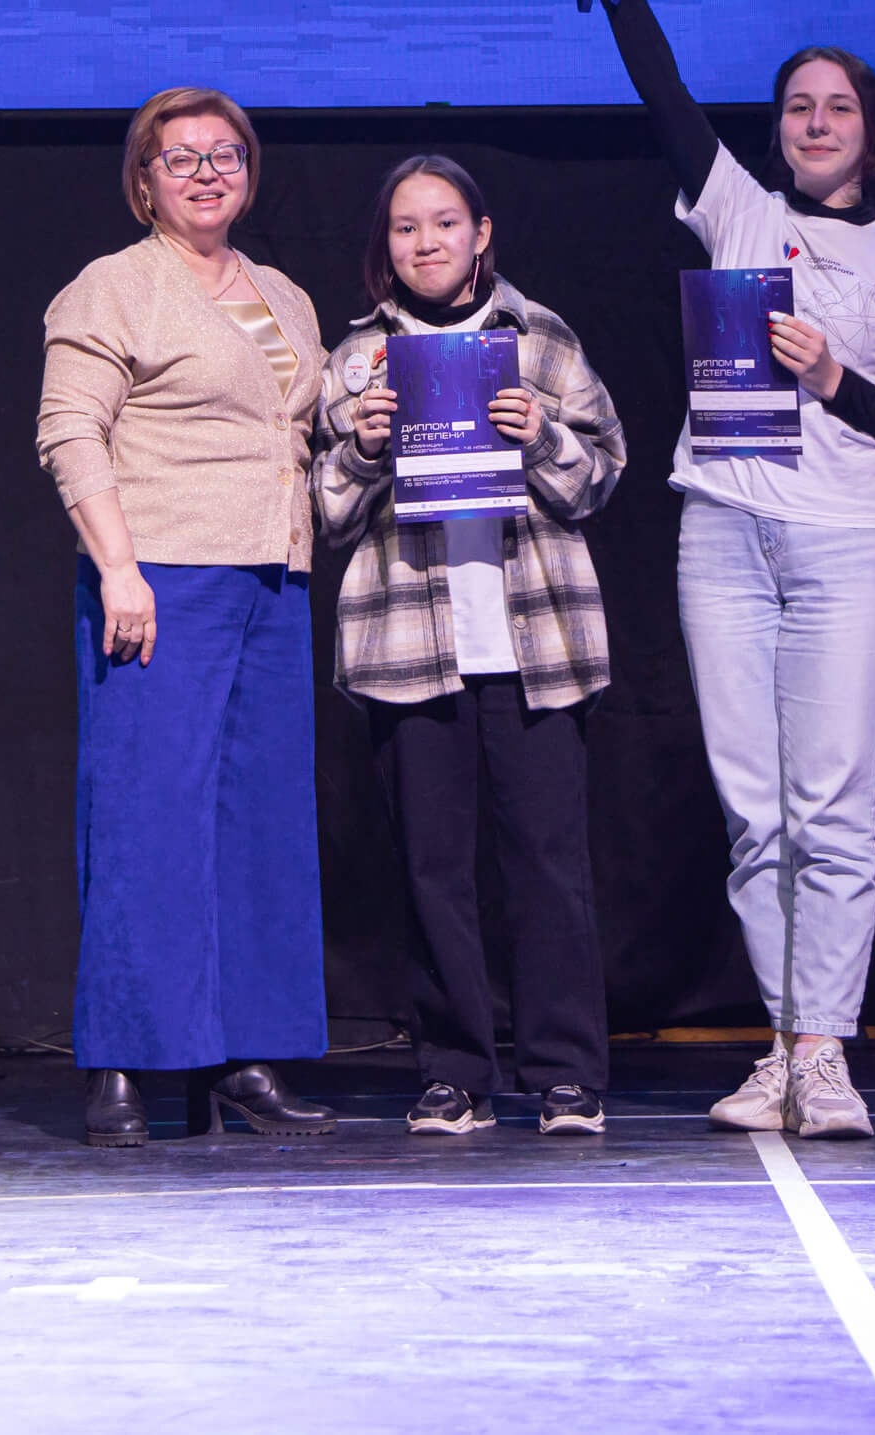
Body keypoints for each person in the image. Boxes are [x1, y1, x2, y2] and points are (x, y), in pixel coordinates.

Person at [562, 0, 875, 1138]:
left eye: (837, 107)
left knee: (831, 806)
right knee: (753, 812)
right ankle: (784, 1048)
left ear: (872, 134)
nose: (814, 121)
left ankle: (827, 1054)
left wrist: (838, 379)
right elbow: (663, 93)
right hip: (724, 536)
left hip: (848, 548)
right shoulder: (738, 211)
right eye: (797, 105)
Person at [36, 86, 336, 1148]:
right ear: (144, 181)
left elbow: (298, 432)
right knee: (146, 817)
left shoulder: (284, 294)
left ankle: (244, 1054)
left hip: (273, 579)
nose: (207, 174)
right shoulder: (111, 287)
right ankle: (123, 1059)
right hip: (160, 577)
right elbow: (69, 431)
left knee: (259, 823)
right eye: (182, 159)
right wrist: (117, 566)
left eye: (226, 155)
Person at [315, 156, 627, 1138]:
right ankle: (454, 1071)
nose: (427, 243)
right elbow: (325, 512)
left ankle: (566, 1073)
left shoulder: (540, 338)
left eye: (445, 223)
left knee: (549, 866)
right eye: (406, 227)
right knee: (432, 873)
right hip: (409, 646)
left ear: (481, 233)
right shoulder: (358, 358)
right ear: (386, 244)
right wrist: (363, 447)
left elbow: (601, 475)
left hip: (536, 641)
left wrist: (541, 435)